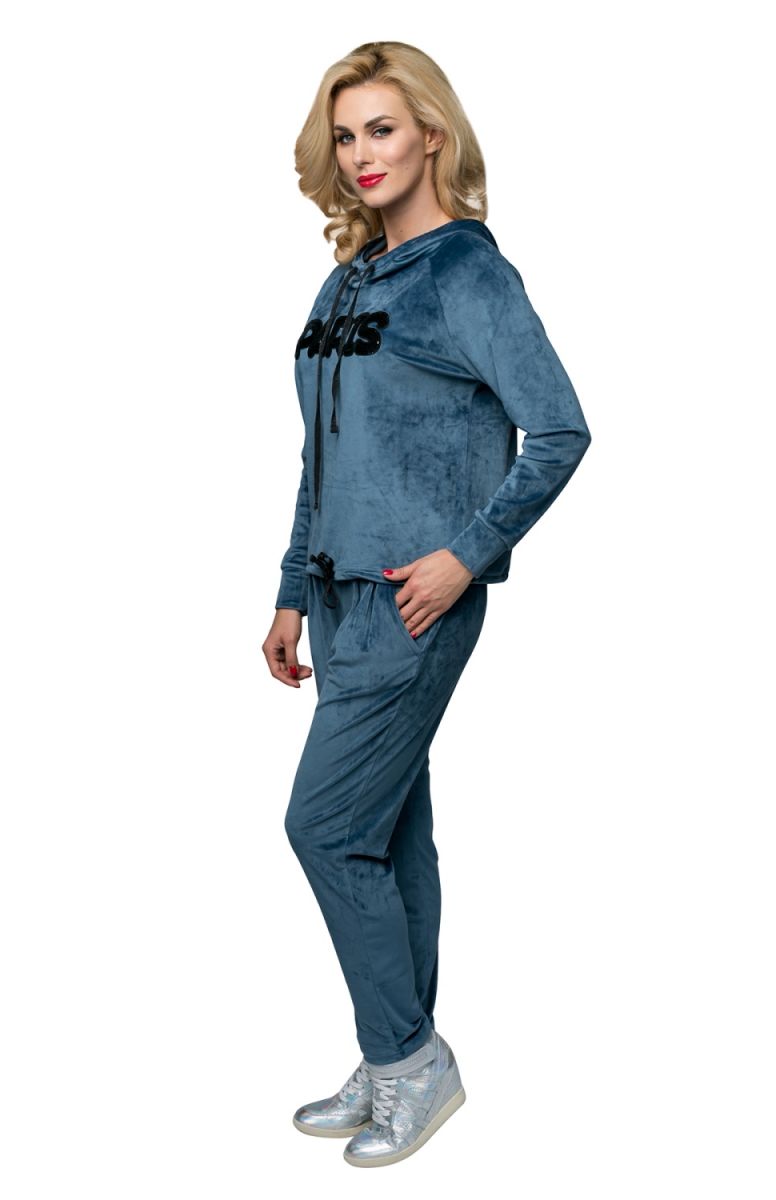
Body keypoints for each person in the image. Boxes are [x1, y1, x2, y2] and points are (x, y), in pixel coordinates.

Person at [261, 40, 592, 1168]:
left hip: (413, 602)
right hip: (336, 596)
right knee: (389, 829)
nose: (361, 154)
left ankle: (407, 1059)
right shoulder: (348, 280)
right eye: (344, 135)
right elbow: (322, 453)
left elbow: (558, 430)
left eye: (382, 129)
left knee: (323, 826)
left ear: (432, 135)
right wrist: (290, 591)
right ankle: (395, 1048)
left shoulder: (467, 277)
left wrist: (466, 556)